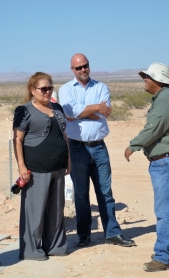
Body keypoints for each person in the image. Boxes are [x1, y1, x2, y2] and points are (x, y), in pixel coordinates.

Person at [59, 53, 135, 247]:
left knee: (105, 192)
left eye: (85, 66)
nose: (83, 70)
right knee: (81, 194)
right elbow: (69, 112)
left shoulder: (101, 87)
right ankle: (84, 235)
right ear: (72, 70)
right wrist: (94, 109)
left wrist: (80, 113)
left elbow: (104, 113)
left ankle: (112, 233)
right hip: (76, 148)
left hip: (99, 147)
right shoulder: (65, 90)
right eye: (78, 68)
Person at [124, 62, 169, 272]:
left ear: (158, 80)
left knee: (166, 211)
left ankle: (164, 257)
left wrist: (133, 145)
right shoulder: (166, 97)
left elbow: (154, 127)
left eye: (147, 76)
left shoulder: (166, 98)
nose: (144, 80)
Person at [12, 72, 70, 260]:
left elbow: (64, 136)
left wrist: (68, 160)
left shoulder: (58, 108)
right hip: (36, 168)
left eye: (50, 88)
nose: (47, 91)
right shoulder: (24, 110)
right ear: (32, 90)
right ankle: (31, 250)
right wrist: (21, 166)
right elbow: (18, 139)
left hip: (58, 167)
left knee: (56, 210)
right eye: (43, 88)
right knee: (34, 211)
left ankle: (55, 246)